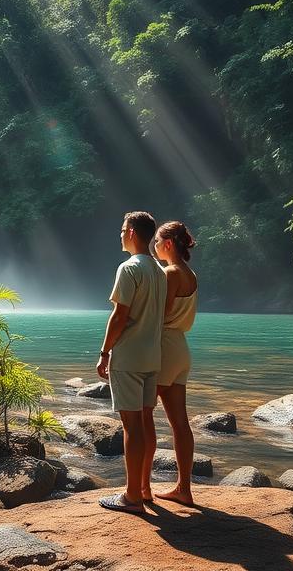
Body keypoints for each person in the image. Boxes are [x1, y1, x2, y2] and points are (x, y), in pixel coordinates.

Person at [96, 211, 167, 514]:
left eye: (123, 229)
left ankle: (131, 496)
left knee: (131, 427)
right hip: (153, 356)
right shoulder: (160, 271)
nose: (120, 234)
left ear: (135, 233)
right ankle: (145, 488)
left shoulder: (128, 268)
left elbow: (120, 315)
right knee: (147, 422)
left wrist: (104, 352)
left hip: (128, 357)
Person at [152, 221, 198, 506]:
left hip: (165, 347)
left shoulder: (170, 272)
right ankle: (184, 488)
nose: (154, 247)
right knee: (180, 422)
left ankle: (138, 487)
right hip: (181, 347)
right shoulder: (190, 274)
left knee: (142, 415)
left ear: (168, 243)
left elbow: (161, 313)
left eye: (157, 242)